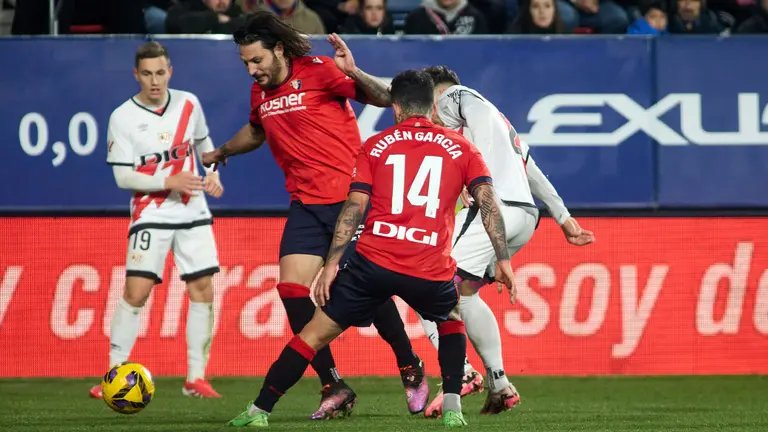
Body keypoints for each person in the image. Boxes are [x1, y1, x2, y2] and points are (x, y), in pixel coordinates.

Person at [226, 69, 518, 429]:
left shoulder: (375, 144)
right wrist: (503, 259)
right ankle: (454, 409)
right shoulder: (463, 147)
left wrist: (333, 263)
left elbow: (354, 207)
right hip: (427, 265)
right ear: (431, 107)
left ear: (396, 108)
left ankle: (258, 411)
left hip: (372, 264)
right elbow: (488, 203)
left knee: (313, 335)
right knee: (452, 318)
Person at [201, 13, 426, 419]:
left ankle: (410, 365)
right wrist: (223, 152)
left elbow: (381, 97)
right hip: (305, 204)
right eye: (246, 64)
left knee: (367, 293)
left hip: (351, 201)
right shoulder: (260, 94)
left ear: (280, 50)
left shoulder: (321, 71)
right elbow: (256, 131)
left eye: (257, 61)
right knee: (290, 289)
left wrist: (353, 71)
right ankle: (333, 384)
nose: (253, 71)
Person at [417, 65, 596, 417]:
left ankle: (463, 372)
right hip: (526, 216)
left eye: (430, 105)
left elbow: (467, 142)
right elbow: (531, 169)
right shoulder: (502, 123)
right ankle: (500, 383)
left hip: (495, 208)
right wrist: (563, 216)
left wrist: (474, 182)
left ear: (438, 93)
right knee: (463, 295)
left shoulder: (456, 96)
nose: (431, 117)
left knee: (425, 280)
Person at [91, 41, 225, 400]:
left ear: (170, 71)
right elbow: (123, 177)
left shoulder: (188, 103)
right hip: (151, 213)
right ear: (136, 74)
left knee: (203, 290)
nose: (155, 81)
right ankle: (113, 373)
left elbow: (203, 144)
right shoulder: (122, 117)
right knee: (136, 292)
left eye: (160, 72)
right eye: (147, 74)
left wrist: (211, 172)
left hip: (193, 211)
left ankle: (195, 378)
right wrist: (168, 180)